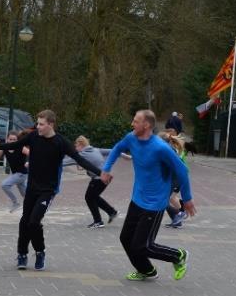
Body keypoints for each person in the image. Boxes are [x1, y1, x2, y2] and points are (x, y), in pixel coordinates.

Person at [0, 109, 103, 271]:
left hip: (47, 190)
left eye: (41, 124)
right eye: (37, 123)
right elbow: (14, 145)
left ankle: (40, 252)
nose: (38, 127)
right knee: (24, 221)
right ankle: (22, 254)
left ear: (51, 124)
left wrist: (101, 174)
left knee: (34, 222)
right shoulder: (33, 137)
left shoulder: (61, 142)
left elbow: (79, 159)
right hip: (32, 188)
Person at [101, 109, 196, 281]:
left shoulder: (161, 148)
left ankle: (178, 256)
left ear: (146, 125)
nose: (132, 124)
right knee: (125, 239)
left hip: (155, 203)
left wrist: (187, 199)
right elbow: (117, 148)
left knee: (142, 245)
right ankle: (146, 270)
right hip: (137, 199)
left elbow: (182, 171)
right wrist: (106, 168)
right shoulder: (131, 138)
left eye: (136, 121)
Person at [62, 136, 119, 228]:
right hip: (106, 176)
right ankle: (111, 212)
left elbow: (65, 162)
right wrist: (123, 153)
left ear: (80, 145)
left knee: (89, 197)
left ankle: (98, 221)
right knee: (94, 197)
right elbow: (111, 151)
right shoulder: (95, 149)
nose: (75, 149)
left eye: (76, 146)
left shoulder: (82, 155)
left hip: (99, 178)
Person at [0, 130, 29, 213]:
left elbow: (32, 154)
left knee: (4, 185)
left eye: (14, 140)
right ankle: (34, 206)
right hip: (15, 174)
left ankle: (15, 203)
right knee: (25, 194)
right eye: (10, 139)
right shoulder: (5, 147)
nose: (12, 141)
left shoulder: (21, 147)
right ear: (7, 140)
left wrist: (29, 162)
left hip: (22, 174)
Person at [159, 130, 189, 228]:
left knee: (163, 200)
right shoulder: (168, 149)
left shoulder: (168, 150)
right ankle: (177, 219)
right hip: (173, 178)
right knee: (165, 199)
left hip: (175, 178)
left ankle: (179, 214)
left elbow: (180, 167)